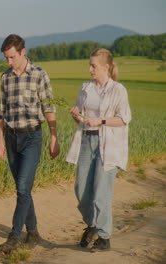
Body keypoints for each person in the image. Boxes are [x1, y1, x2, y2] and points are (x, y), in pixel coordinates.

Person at [0, 34, 60, 254]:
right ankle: (32, 233)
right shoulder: (5, 78)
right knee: (23, 189)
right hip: (11, 138)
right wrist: (0, 140)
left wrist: (54, 136)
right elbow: (1, 112)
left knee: (23, 188)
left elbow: (49, 107)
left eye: (11, 57)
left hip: (32, 137)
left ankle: (14, 236)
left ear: (23, 52)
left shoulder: (39, 75)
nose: (8, 62)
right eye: (6, 58)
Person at [66, 48, 131, 252]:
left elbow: (123, 119)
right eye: (90, 64)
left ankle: (104, 237)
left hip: (108, 145)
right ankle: (92, 224)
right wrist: (77, 115)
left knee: (101, 193)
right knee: (81, 189)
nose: (90, 69)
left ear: (105, 67)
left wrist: (101, 120)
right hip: (87, 141)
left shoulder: (118, 90)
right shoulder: (86, 87)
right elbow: (81, 116)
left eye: (93, 65)